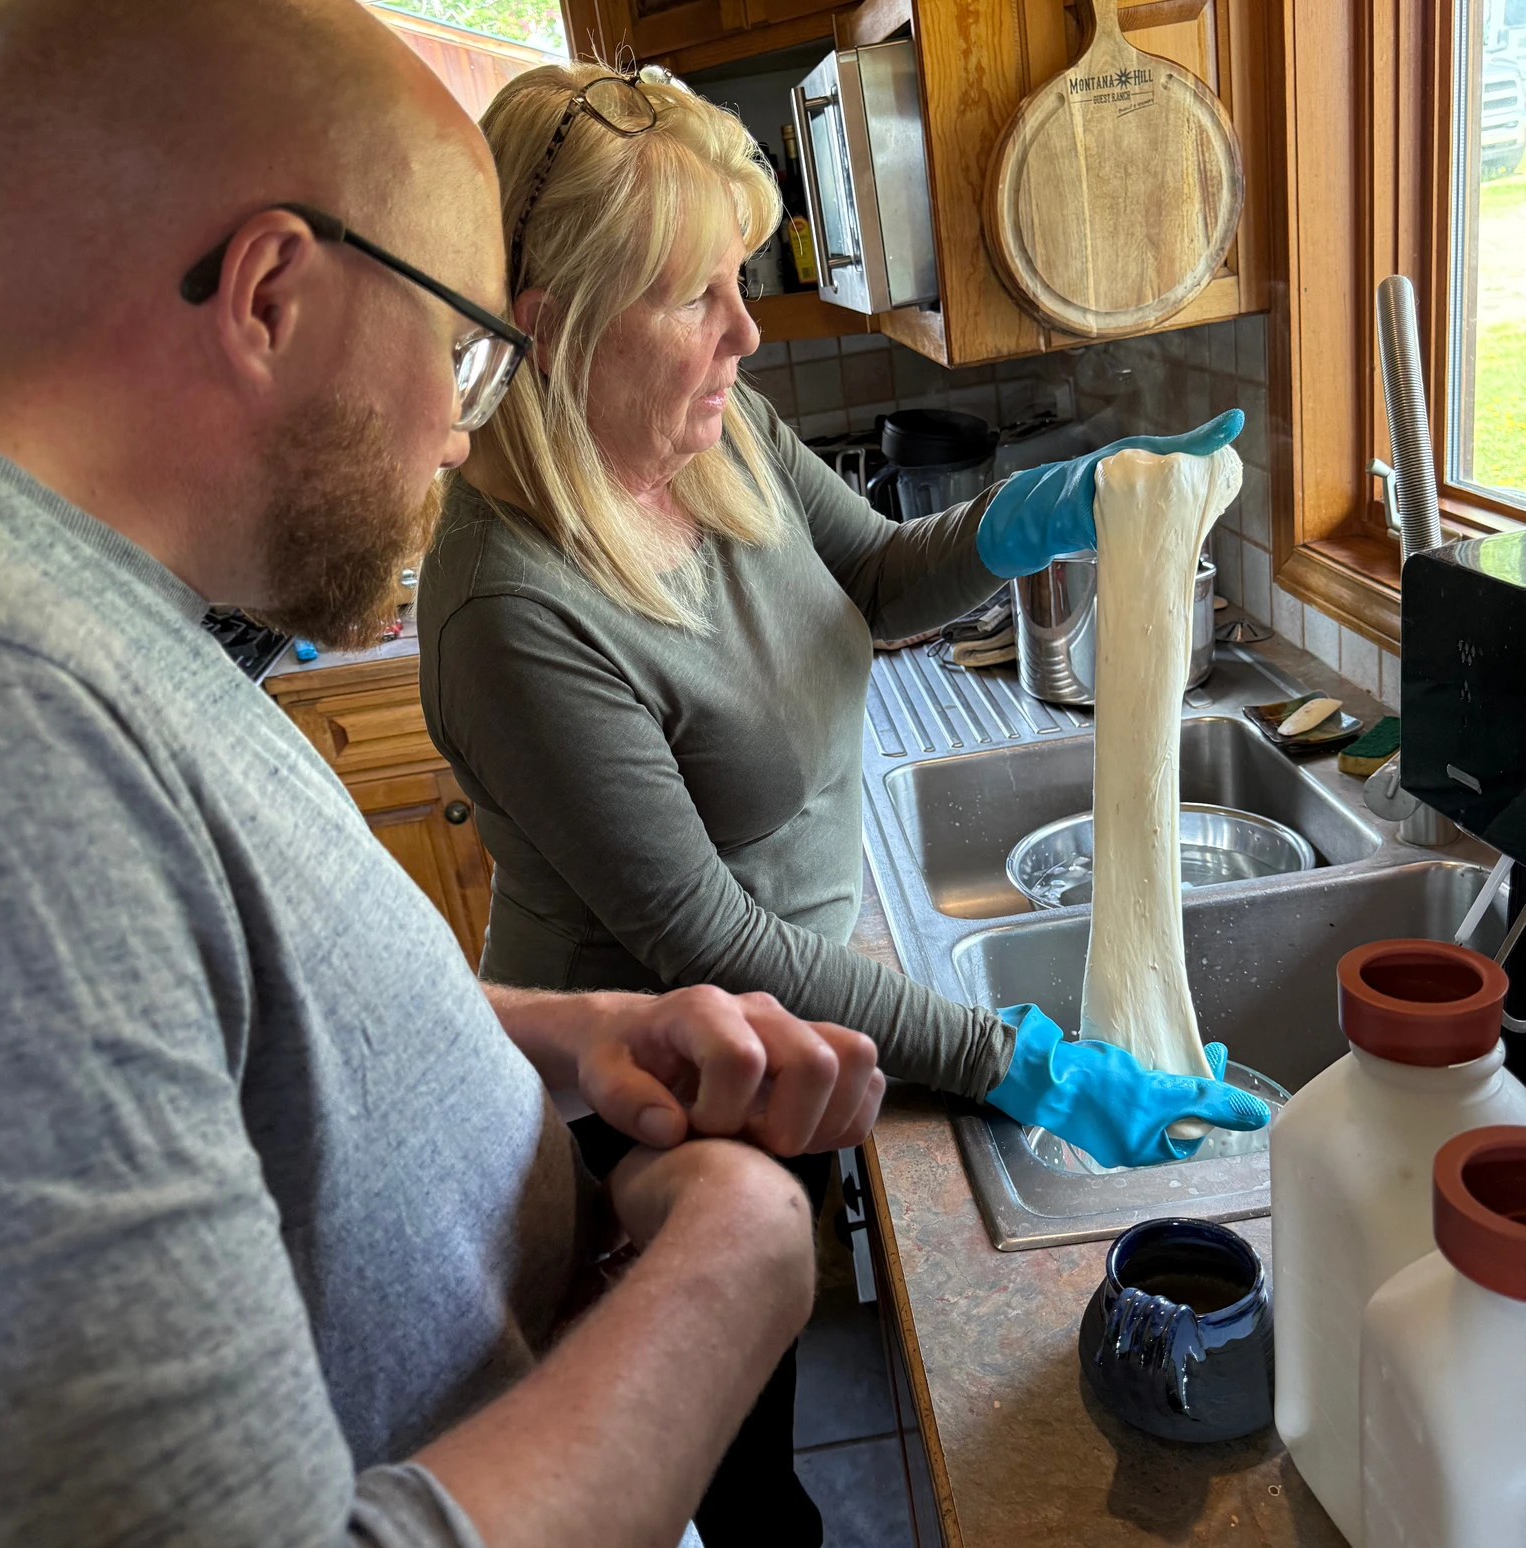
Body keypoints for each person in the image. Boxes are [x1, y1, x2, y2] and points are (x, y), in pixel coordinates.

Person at [0, 4, 886, 1545]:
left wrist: (548, 1030)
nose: (465, 435)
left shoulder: (97, 627)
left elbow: (223, 1024)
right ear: (272, 293)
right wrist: (730, 1263)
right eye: (467, 349)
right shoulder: (15, 735)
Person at [416, 61, 1273, 1546]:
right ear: (547, 323)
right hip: (652, 1101)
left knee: (774, 1436)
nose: (746, 334)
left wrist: (1041, 511)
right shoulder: (512, 606)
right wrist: (1025, 1062)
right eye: (695, 295)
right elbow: (699, 929)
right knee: (735, 1493)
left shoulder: (715, 429)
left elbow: (870, 580)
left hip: (794, 1038)